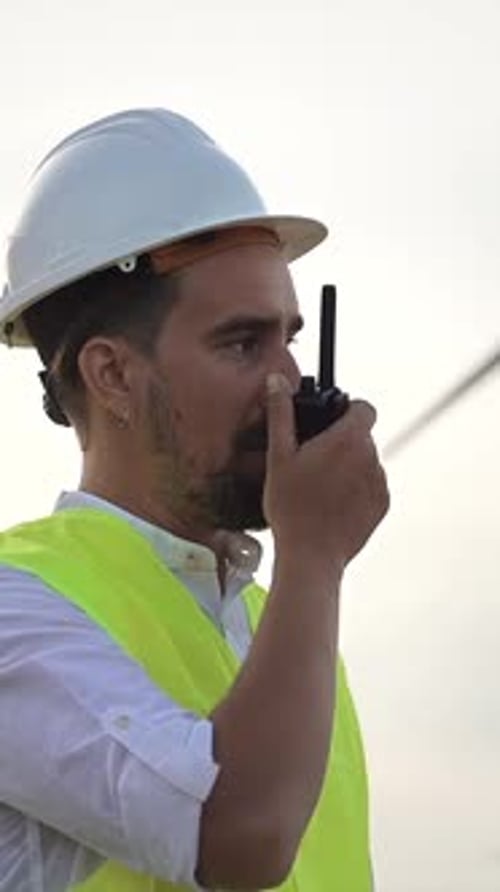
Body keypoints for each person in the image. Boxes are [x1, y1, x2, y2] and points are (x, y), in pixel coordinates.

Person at [0, 108, 389, 892]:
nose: (288, 381)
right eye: (243, 344)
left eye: (290, 338)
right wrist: (315, 557)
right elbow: (235, 838)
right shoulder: (17, 612)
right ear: (112, 375)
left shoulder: (278, 628)